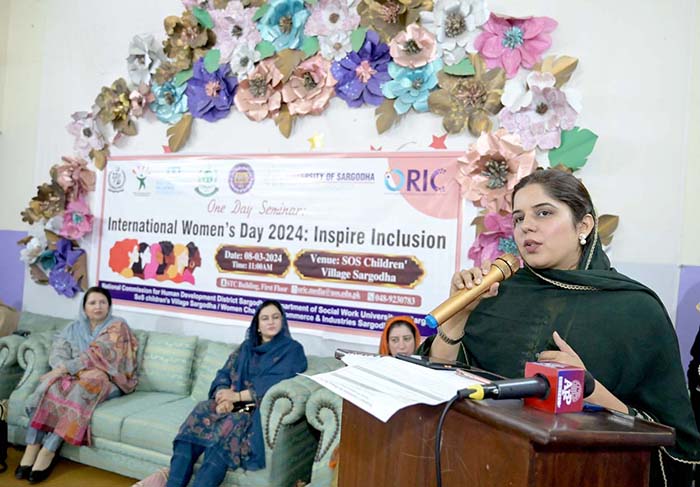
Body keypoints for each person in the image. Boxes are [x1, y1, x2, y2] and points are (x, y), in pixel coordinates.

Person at [418, 169, 700, 486]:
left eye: (544, 213)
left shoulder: (635, 309)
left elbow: (677, 445)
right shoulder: (498, 295)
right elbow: (439, 384)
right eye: (519, 218)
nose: (527, 226)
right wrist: (460, 315)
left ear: (584, 225)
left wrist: (590, 389)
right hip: (481, 467)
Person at [165, 300, 307, 487]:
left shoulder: (292, 350)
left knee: (231, 425)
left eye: (275, 317)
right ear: (257, 325)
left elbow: (275, 383)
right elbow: (225, 373)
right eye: (265, 318)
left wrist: (237, 398)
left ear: (283, 321)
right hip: (232, 401)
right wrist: (222, 394)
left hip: (255, 408)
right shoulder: (246, 347)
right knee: (201, 411)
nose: (271, 322)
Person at [16, 286, 138, 483]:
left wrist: (65, 370)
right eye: (92, 303)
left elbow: (99, 355)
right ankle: (32, 446)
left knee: (85, 385)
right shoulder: (73, 328)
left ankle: (49, 449)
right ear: (84, 307)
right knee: (51, 388)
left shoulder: (117, 326)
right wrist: (63, 368)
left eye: (102, 302)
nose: (98, 307)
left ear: (109, 306)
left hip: (108, 381)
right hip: (75, 377)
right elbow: (58, 352)